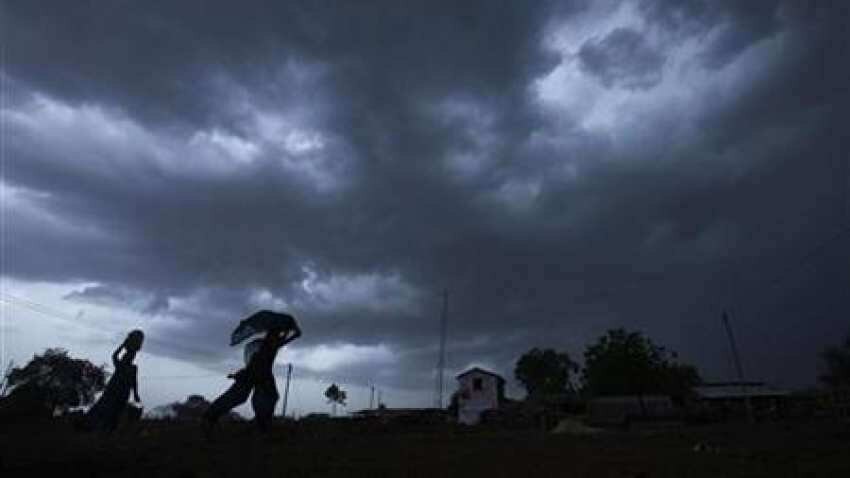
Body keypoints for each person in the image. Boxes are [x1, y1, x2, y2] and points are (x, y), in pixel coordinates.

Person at [203, 322, 301, 434]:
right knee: (245, 397)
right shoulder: (267, 345)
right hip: (258, 375)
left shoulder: (264, 344)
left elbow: (289, 337)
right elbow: (289, 337)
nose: (279, 336)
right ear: (274, 335)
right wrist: (289, 329)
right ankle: (210, 418)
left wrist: (289, 330)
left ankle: (262, 425)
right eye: (278, 334)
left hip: (259, 375)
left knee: (263, 398)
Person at [81, 329, 144, 432]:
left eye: (129, 356)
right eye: (126, 356)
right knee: (106, 408)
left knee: (115, 411)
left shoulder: (127, 367)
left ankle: (107, 429)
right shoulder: (123, 365)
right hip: (115, 390)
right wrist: (123, 345)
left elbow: (134, 382)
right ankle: (96, 427)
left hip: (120, 391)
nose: (127, 357)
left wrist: (136, 394)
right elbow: (115, 356)